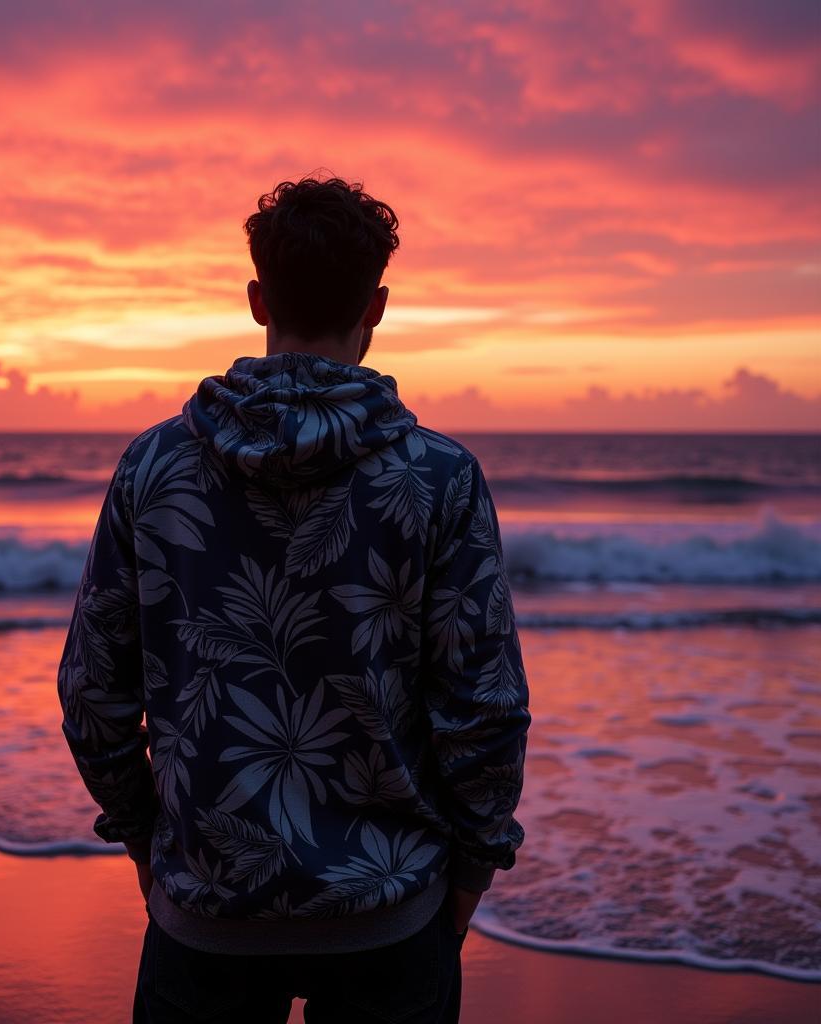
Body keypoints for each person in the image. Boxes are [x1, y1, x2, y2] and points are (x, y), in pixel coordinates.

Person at [57, 174, 531, 1023]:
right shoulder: (439, 478)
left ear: (255, 298)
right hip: (392, 916)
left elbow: (93, 692)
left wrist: (149, 844)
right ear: (377, 306)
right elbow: (484, 708)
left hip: (203, 912)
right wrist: (467, 878)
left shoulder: (155, 468)